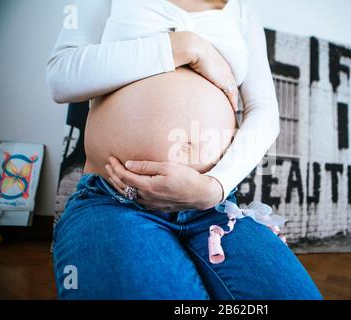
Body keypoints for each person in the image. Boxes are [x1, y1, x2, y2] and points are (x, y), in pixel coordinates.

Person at [47, 0, 322, 300]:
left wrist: (213, 187)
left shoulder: (242, 10)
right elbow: (62, 76)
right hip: (117, 200)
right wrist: (186, 46)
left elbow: (264, 111)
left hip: (216, 209)